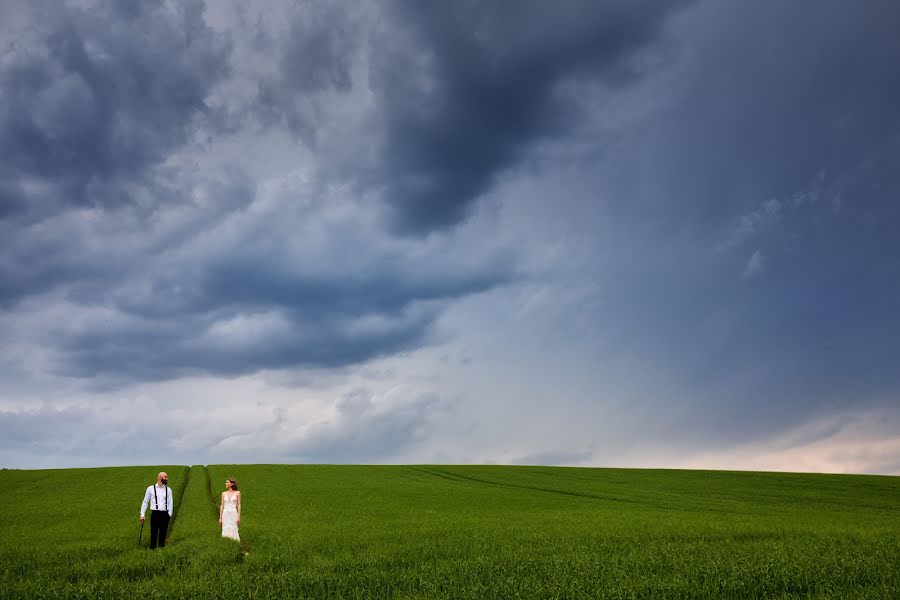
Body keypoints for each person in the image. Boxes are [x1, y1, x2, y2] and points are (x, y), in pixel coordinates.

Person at [140, 472, 174, 549]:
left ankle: (162, 548)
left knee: (163, 532)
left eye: (167, 477)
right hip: (155, 514)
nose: (167, 479)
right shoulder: (150, 489)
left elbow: (170, 503)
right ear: (160, 478)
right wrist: (142, 515)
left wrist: (169, 514)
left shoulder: (168, 490)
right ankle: (152, 549)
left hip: (165, 514)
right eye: (165, 477)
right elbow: (145, 502)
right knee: (153, 532)